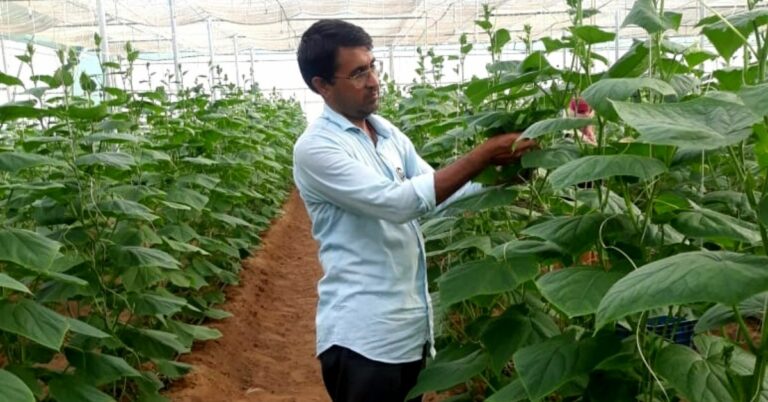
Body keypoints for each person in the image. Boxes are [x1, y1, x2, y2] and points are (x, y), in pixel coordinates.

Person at [293, 19, 537, 402]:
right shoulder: (316, 149)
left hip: (409, 332)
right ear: (321, 86)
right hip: (365, 339)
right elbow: (400, 203)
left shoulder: (385, 132)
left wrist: (510, 175)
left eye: (372, 66)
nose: (373, 80)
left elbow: (442, 194)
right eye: (358, 73)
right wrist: (483, 154)